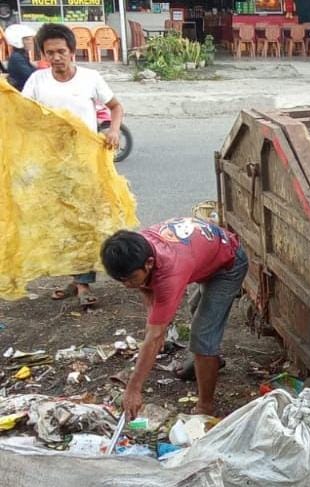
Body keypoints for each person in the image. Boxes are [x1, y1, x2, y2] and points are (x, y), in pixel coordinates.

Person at [101, 218, 248, 418]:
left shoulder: (169, 271)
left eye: (131, 279)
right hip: (205, 255)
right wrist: (154, 330)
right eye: (121, 280)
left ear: (149, 264)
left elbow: (155, 334)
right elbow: (147, 290)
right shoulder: (137, 249)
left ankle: (206, 407)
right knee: (196, 311)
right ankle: (207, 360)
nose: (127, 285)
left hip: (228, 264)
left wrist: (134, 388)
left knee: (202, 335)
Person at [22, 23, 124, 307]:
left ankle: (84, 284)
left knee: (86, 221)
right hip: (52, 163)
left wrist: (113, 130)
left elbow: (116, 106)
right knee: (61, 223)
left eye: (61, 51)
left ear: (72, 52)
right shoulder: (37, 81)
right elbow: (24, 116)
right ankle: (74, 278)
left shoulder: (90, 78)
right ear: (42, 54)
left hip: (86, 161)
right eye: (50, 52)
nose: (56, 57)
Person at [6, 24, 37, 91]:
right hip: (21, 92)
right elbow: (31, 76)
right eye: (27, 39)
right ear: (18, 41)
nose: (31, 42)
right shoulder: (17, 58)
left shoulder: (23, 55)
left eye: (32, 39)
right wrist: (37, 67)